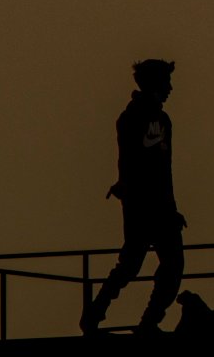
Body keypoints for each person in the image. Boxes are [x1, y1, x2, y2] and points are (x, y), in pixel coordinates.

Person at [80, 59, 187, 335]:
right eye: (166, 83)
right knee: (133, 265)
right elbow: (139, 165)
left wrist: (170, 207)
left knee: (159, 264)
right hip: (144, 206)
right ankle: (100, 314)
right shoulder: (136, 119)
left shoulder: (159, 119)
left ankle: (139, 320)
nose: (170, 89)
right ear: (155, 84)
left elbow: (163, 170)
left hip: (156, 206)